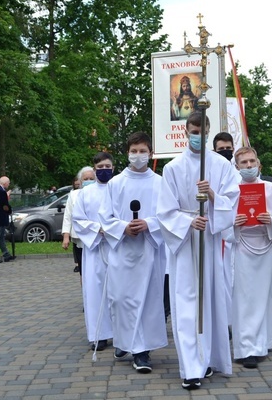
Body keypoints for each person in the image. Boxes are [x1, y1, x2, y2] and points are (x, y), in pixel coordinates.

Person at [156, 111, 240, 390]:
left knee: (211, 301)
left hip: (210, 242)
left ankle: (209, 360)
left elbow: (232, 201)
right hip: (185, 242)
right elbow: (165, 212)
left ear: (207, 132)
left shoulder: (221, 165)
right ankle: (191, 367)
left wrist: (213, 195)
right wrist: (190, 220)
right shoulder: (173, 168)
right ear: (185, 132)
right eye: (191, 131)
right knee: (187, 304)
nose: (196, 136)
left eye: (200, 132)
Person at [99, 132, 167, 374]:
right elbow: (105, 217)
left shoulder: (160, 183)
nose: (138, 155)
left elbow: (168, 215)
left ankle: (141, 351)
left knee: (146, 301)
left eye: (143, 151)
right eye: (134, 151)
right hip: (123, 250)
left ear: (151, 153)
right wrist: (123, 227)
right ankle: (124, 341)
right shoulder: (116, 183)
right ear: (127, 152)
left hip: (149, 251)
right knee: (120, 300)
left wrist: (149, 224)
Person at [232, 147, 272, 369]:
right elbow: (219, 219)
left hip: (265, 245)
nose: (248, 166)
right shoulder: (231, 189)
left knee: (265, 294)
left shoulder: (271, 189)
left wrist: (271, 219)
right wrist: (233, 222)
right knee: (245, 297)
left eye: (251, 161)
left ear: (258, 163)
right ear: (236, 166)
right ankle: (247, 348)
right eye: (243, 162)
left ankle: (263, 342)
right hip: (241, 246)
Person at [72, 153, 115, 353]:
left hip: (118, 247)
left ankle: (121, 333)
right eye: (100, 166)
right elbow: (78, 220)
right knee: (95, 291)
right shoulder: (84, 194)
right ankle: (99, 334)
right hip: (95, 248)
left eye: (108, 165)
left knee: (119, 291)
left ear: (113, 167)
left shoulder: (119, 189)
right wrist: (98, 229)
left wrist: (115, 230)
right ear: (95, 168)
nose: (104, 169)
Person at [212, 131, 236, 330]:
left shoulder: (238, 173)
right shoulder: (210, 170)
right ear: (214, 150)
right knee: (219, 277)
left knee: (233, 279)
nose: (225, 152)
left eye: (228, 149)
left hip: (239, 233)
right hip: (216, 231)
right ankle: (222, 321)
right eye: (221, 149)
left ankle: (232, 320)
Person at [62, 168, 95, 275]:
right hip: (79, 238)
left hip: (95, 237)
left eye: (91, 178)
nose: (88, 180)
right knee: (83, 270)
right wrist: (66, 237)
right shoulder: (73, 195)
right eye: (86, 179)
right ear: (80, 181)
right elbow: (68, 216)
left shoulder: (101, 193)